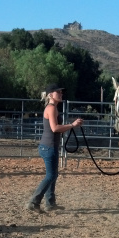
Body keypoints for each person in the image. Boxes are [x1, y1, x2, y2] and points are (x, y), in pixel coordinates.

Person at [26, 84, 83, 212]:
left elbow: (57, 127)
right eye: (58, 92)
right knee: (51, 175)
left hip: (50, 146)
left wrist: (71, 125)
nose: (61, 94)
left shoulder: (53, 108)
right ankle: (34, 201)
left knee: (53, 175)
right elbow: (55, 128)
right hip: (48, 147)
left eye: (61, 92)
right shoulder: (51, 109)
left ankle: (50, 203)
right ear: (51, 95)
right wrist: (72, 125)